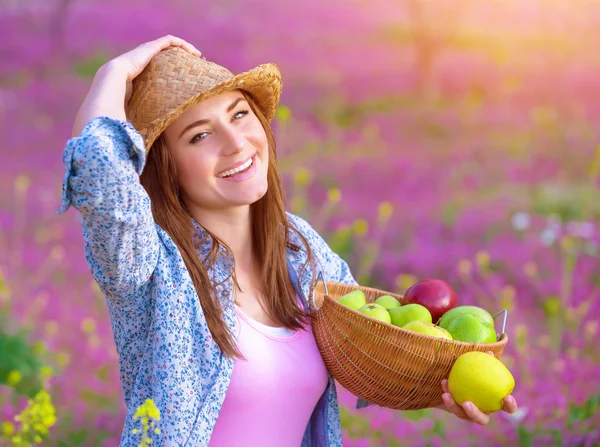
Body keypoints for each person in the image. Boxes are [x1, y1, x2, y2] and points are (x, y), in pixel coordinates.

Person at [58, 35, 518, 447]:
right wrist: (112, 74)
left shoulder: (301, 250)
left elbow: (371, 349)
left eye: (239, 115)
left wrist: (438, 385)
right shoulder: (149, 267)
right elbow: (101, 170)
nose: (236, 143)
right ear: (165, 168)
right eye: (200, 135)